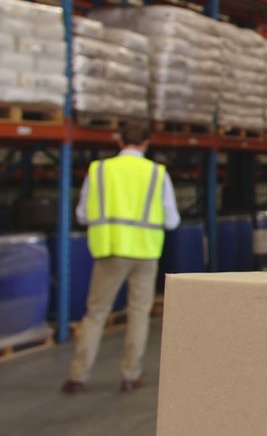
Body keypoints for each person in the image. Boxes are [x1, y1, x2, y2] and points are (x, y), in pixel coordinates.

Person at [62, 125, 180, 395]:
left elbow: (82, 214)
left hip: (110, 251)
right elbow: (172, 220)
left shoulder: (99, 171)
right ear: (147, 143)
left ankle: (78, 376)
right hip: (145, 253)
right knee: (138, 313)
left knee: (96, 313)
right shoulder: (157, 173)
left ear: (119, 141)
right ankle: (130, 375)